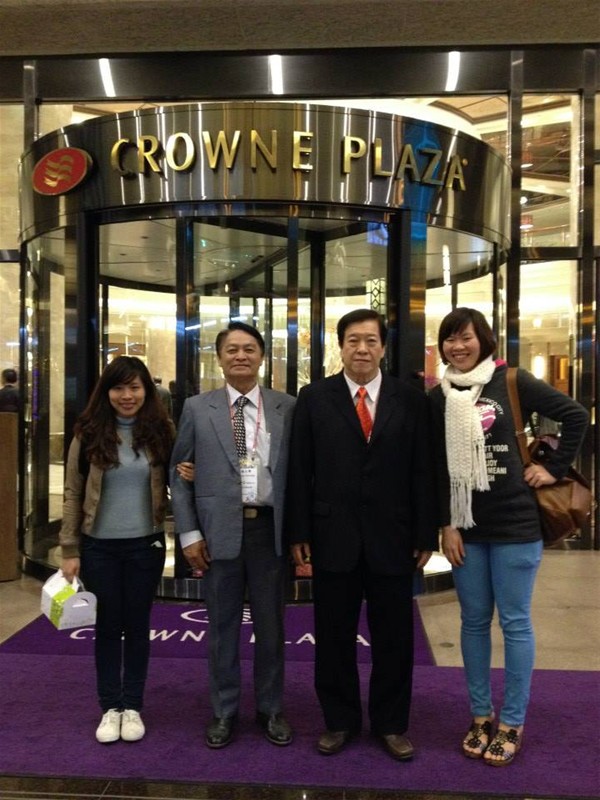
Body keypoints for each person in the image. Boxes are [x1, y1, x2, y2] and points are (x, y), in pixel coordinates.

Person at [430, 307, 589, 766]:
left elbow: (575, 415)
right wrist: (447, 524)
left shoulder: (512, 381)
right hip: (466, 528)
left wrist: (552, 468)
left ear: (484, 339)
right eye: (450, 339)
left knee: (515, 623)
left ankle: (512, 722)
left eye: (466, 337)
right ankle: (481, 716)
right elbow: (437, 468)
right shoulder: (438, 396)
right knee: (473, 622)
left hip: (517, 524)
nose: (458, 346)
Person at [286, 308, 438, 761]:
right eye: (353, 340)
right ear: (341, 346)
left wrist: (425, 533)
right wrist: (299, 531)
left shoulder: (411, 400)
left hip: (395, 538)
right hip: (333, 537)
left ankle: (391, 724)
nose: (362, 349)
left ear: (383, 347)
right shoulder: (315, 397)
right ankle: (339, 721)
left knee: (395, 638)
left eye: (371, 340)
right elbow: (300, 469)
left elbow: (424, 470)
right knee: (333, 636)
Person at [170, 321, 296, 749]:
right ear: (220, 358)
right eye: (232, 349)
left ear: (262, 356)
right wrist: (189, 533)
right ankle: (224, 711)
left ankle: (270, 708)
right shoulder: (196, 408)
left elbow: (303, 472)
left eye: (249, 349)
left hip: (269, 532)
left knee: (272, 628)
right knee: (222, 629)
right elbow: (179, 474)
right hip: (217, 532)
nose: (240, 356)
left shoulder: (287, 407)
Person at [60, 356, 182, 744]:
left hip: (146, 545)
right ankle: (110, 706)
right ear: (106, 392)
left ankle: (133, 706)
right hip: (99, 547)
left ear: (147, 390)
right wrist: (69, 548)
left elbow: (179, 478)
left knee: (138, 626)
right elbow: (72, 493)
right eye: (118, 388)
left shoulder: (162, 431)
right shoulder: (88, 433)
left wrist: (189, 474)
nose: (127, 395)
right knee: (108, 627)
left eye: (134, 387)